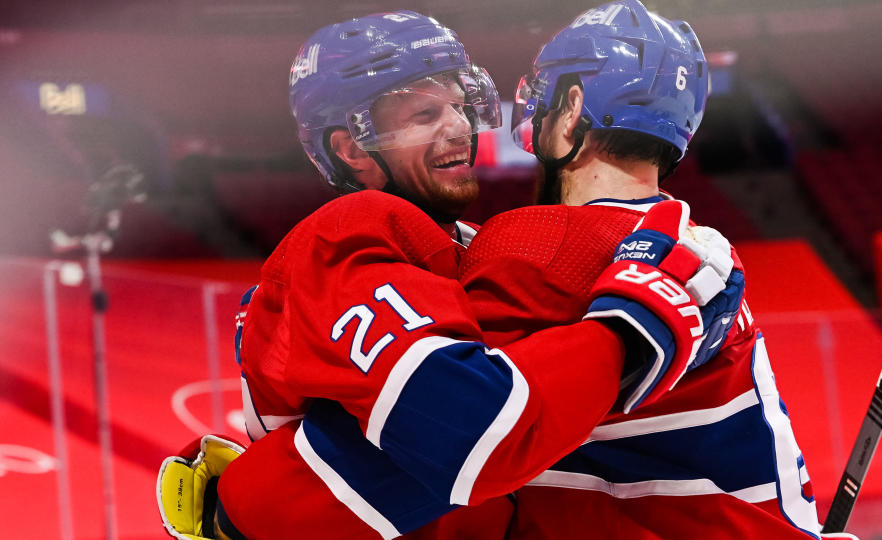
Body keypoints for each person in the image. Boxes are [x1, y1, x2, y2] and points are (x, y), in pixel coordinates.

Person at [156, 10, 733, 540]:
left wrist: (244, 501)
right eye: (425, 114)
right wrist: (633, 330)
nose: (459, 127)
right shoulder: (349, 232)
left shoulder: (459, 245)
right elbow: (469, 438)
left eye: (459, 105)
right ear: (353, 147)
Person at [463, 1, 823, 537]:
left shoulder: (531, 241)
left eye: (547, 96)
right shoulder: (695, 240)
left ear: (572, 109)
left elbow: (449, 430)